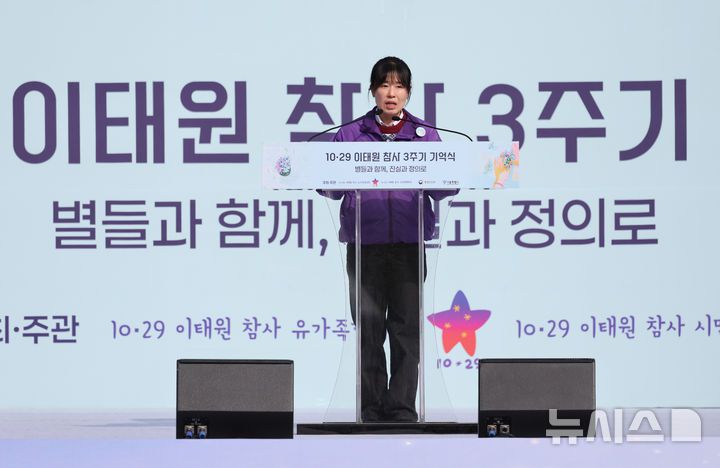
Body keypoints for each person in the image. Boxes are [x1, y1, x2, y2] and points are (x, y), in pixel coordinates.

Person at [319, 56, 457, 422]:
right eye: (384, 85)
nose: (391, 93)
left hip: (409, 247)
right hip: (365, 247)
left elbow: (447, 187)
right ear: (372, 91)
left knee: (406, 331)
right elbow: (328, 188)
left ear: (409, 93)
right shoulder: (351, 134)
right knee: (368, 331)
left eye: (398, 86)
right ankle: (372, 407)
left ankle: (401, 408)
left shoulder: (425, 135)